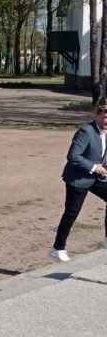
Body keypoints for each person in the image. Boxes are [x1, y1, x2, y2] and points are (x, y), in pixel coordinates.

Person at [50, 104, 107, 262]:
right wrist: (94, 167)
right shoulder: (85, 132)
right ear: (96, 116)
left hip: (98, 178)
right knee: (71, 213)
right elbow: (73, 156)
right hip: (78, 178)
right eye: (105, 117)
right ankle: (57, 249)